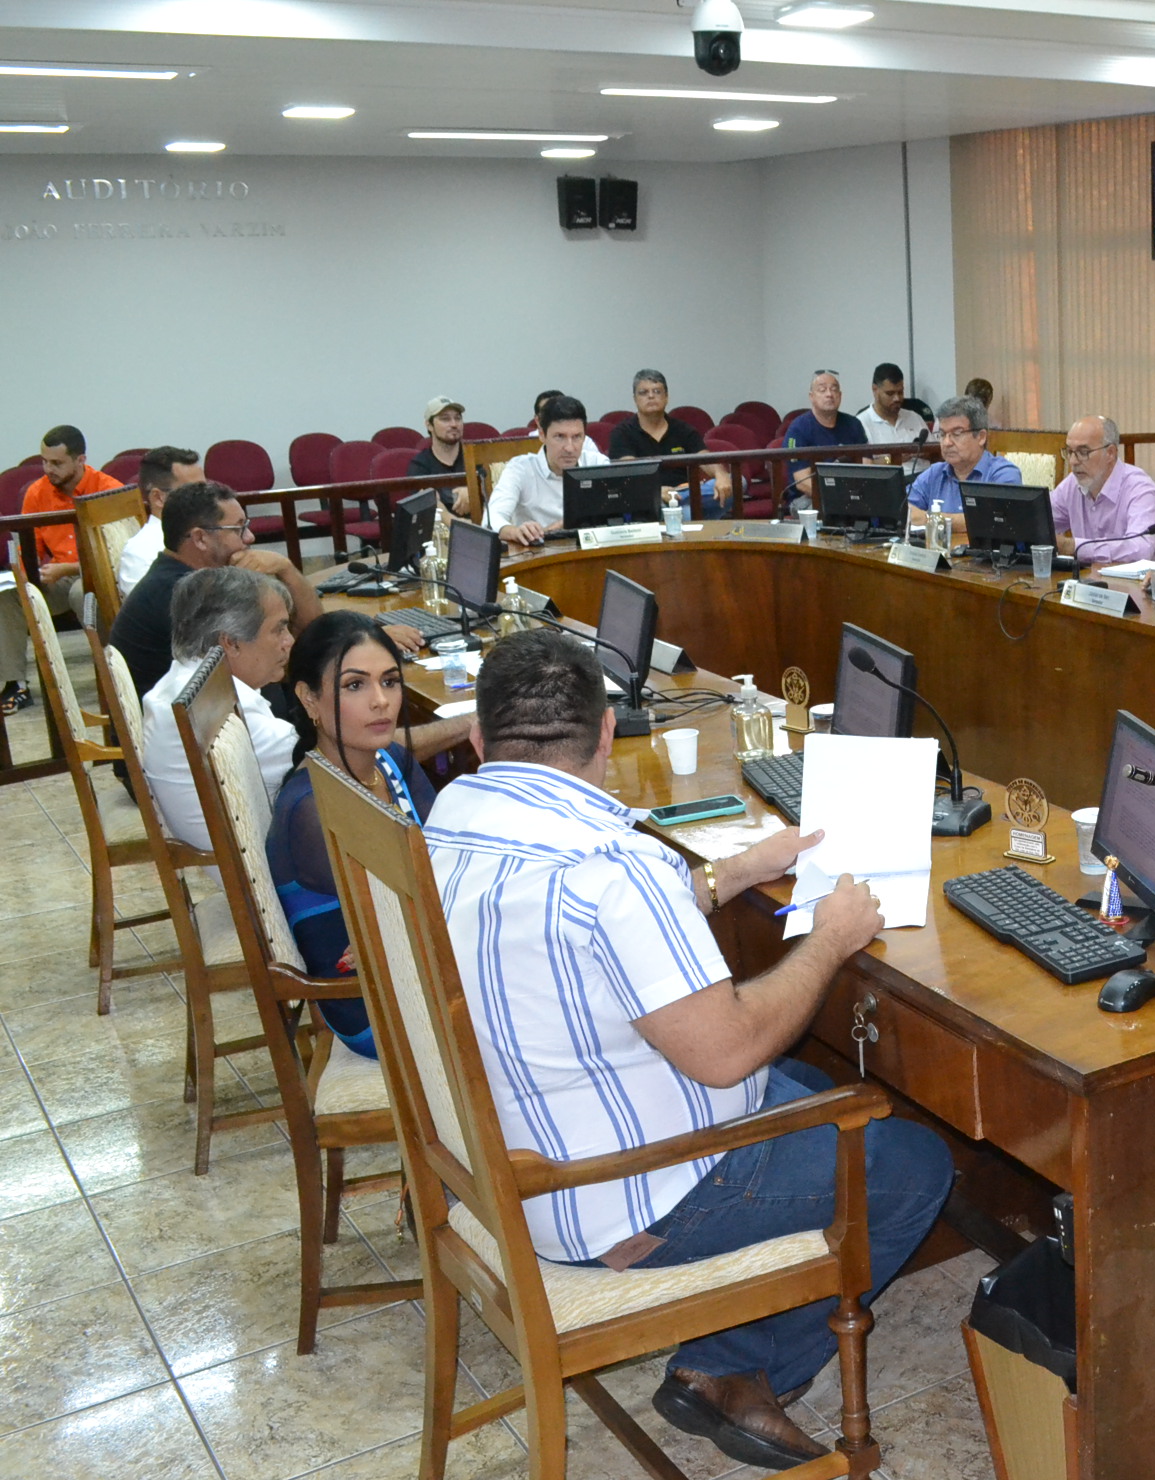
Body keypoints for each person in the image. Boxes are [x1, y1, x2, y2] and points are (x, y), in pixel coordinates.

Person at [425, 631, 952, 1472]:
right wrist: (829, 940)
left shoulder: (446, 825)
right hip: (613, 1204)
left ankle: (730, 1344)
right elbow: (727, 1054)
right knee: (914, 1162)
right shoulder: (613, 866)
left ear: (481, 740)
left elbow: (592, 933)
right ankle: (734, 1369)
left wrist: (738, 871)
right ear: (606, 732)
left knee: (803, 1079)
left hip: (498, 1166)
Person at [269, 612, 471, 1058]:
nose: (381, 701)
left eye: (390, 681)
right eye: (355, 685)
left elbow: (440, 872)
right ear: (308, 698)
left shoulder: (386, 761)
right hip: (380, 1006)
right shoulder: (312, 809)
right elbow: (419, 914)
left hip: (422, 965)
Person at [110, 480, 331, 698]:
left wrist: (286, 568)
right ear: (200, 538)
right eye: (238, 529)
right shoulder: (184, 595)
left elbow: (308, 639)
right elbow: (302, 660)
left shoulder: (185, 579)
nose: (250, 537)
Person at [139, 567, 298, 853]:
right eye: (279, 629)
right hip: (263, 870)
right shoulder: (222, 712)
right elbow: (335, 767)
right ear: (231, 643)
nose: (290, 641)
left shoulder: (180, 681)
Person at [0, 425, 126, 711]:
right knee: (8, 597)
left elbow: (117, 554)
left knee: (83, 593)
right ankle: (15, 683)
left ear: (80, 460)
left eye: (56, 463)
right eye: (44, 461)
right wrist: (25, 575)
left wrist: (67, 569)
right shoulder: (37, 492)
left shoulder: (107, 490)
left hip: (102, 573)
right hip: (57, 576)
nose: (48, 469)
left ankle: (113, 673)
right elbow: (28, 548)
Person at [1049, 415, 1155, 567]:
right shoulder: (1072, 484)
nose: (1073, 461)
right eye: (1069, 451)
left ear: (1110, 453)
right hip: (1095, 578)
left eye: (1083, 452)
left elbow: (1139, 549)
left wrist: (1073, 546)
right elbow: (1040, 520)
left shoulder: (1140, 490)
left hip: (1151, 580)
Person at [488, 394, 608, 546]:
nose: (570, 448)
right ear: (542, 434)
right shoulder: (520, 469)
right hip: (538, 553)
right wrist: (515, 531)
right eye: (560, 436)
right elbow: (492, 520)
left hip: (591, 550)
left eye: (577, 437)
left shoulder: (597, 464)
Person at [607, 369, 718, 518]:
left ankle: (680, 501)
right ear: (635, 399)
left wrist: (720, 475)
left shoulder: (683, 429)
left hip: (683, 493)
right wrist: (655, 491)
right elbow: (630, 473)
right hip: (645, 498)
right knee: (686, 513)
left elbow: (705, 458)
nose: (651, 396)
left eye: (657, 391)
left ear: (666, 397)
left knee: (737, 482)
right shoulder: (623, 432)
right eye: (643, 392)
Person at [906, 395, 1017, 524]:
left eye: (957, 433)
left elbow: (994, 519)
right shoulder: (934, 474)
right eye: (942, 434)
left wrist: (930, 518)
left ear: (981, 437)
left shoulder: (1002, 474)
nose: (947, 442)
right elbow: (905, 509)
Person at [117, 446, 204, 596]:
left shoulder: (214, 532)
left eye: (205, 488)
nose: (207, 497)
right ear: (159, 498)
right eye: (193, 491)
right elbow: (151, 608)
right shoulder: (141, 552)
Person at [780, 370, 866, 506]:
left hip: (850, 494)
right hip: (808, 497)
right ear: (811, 396)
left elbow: (867, 465)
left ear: (840, 395)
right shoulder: (798, 428)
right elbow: (802, 482)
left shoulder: (854, 424)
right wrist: (838, 498)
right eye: (822, 390)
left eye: (834, 389)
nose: (829, 394)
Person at [857, 363, 930, 475]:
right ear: (875, 389)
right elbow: (865, 464)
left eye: (900, 392)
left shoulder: (914, 417)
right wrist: (894, 458)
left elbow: (936, 452)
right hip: (890, 480)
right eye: (890, 393)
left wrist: (922, 452)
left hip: (925, 476)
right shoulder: (861, 423)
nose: (897, 398)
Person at [404, 396, 471, 515]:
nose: (454, 424)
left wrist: (473, 492)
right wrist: (460, 524)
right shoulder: (420, 465)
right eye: (445, 419)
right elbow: (430, 508)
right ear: (429, 425)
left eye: (458, 418)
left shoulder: (475, 457)